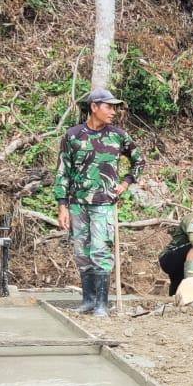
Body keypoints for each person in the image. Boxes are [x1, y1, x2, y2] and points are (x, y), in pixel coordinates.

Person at [53, 89, 145, 317]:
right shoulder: (73, 135)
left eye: (115, 107)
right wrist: (62, 205)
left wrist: (125, 184)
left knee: (101, 251)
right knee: (82, 252)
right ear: (94, 107)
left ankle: (103, 304)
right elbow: (62, 171)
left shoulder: (118, 136)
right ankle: (89, 300)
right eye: (109, 106)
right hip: (77, 204)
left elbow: (139, 161)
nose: (113, 112)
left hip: (104, 203)